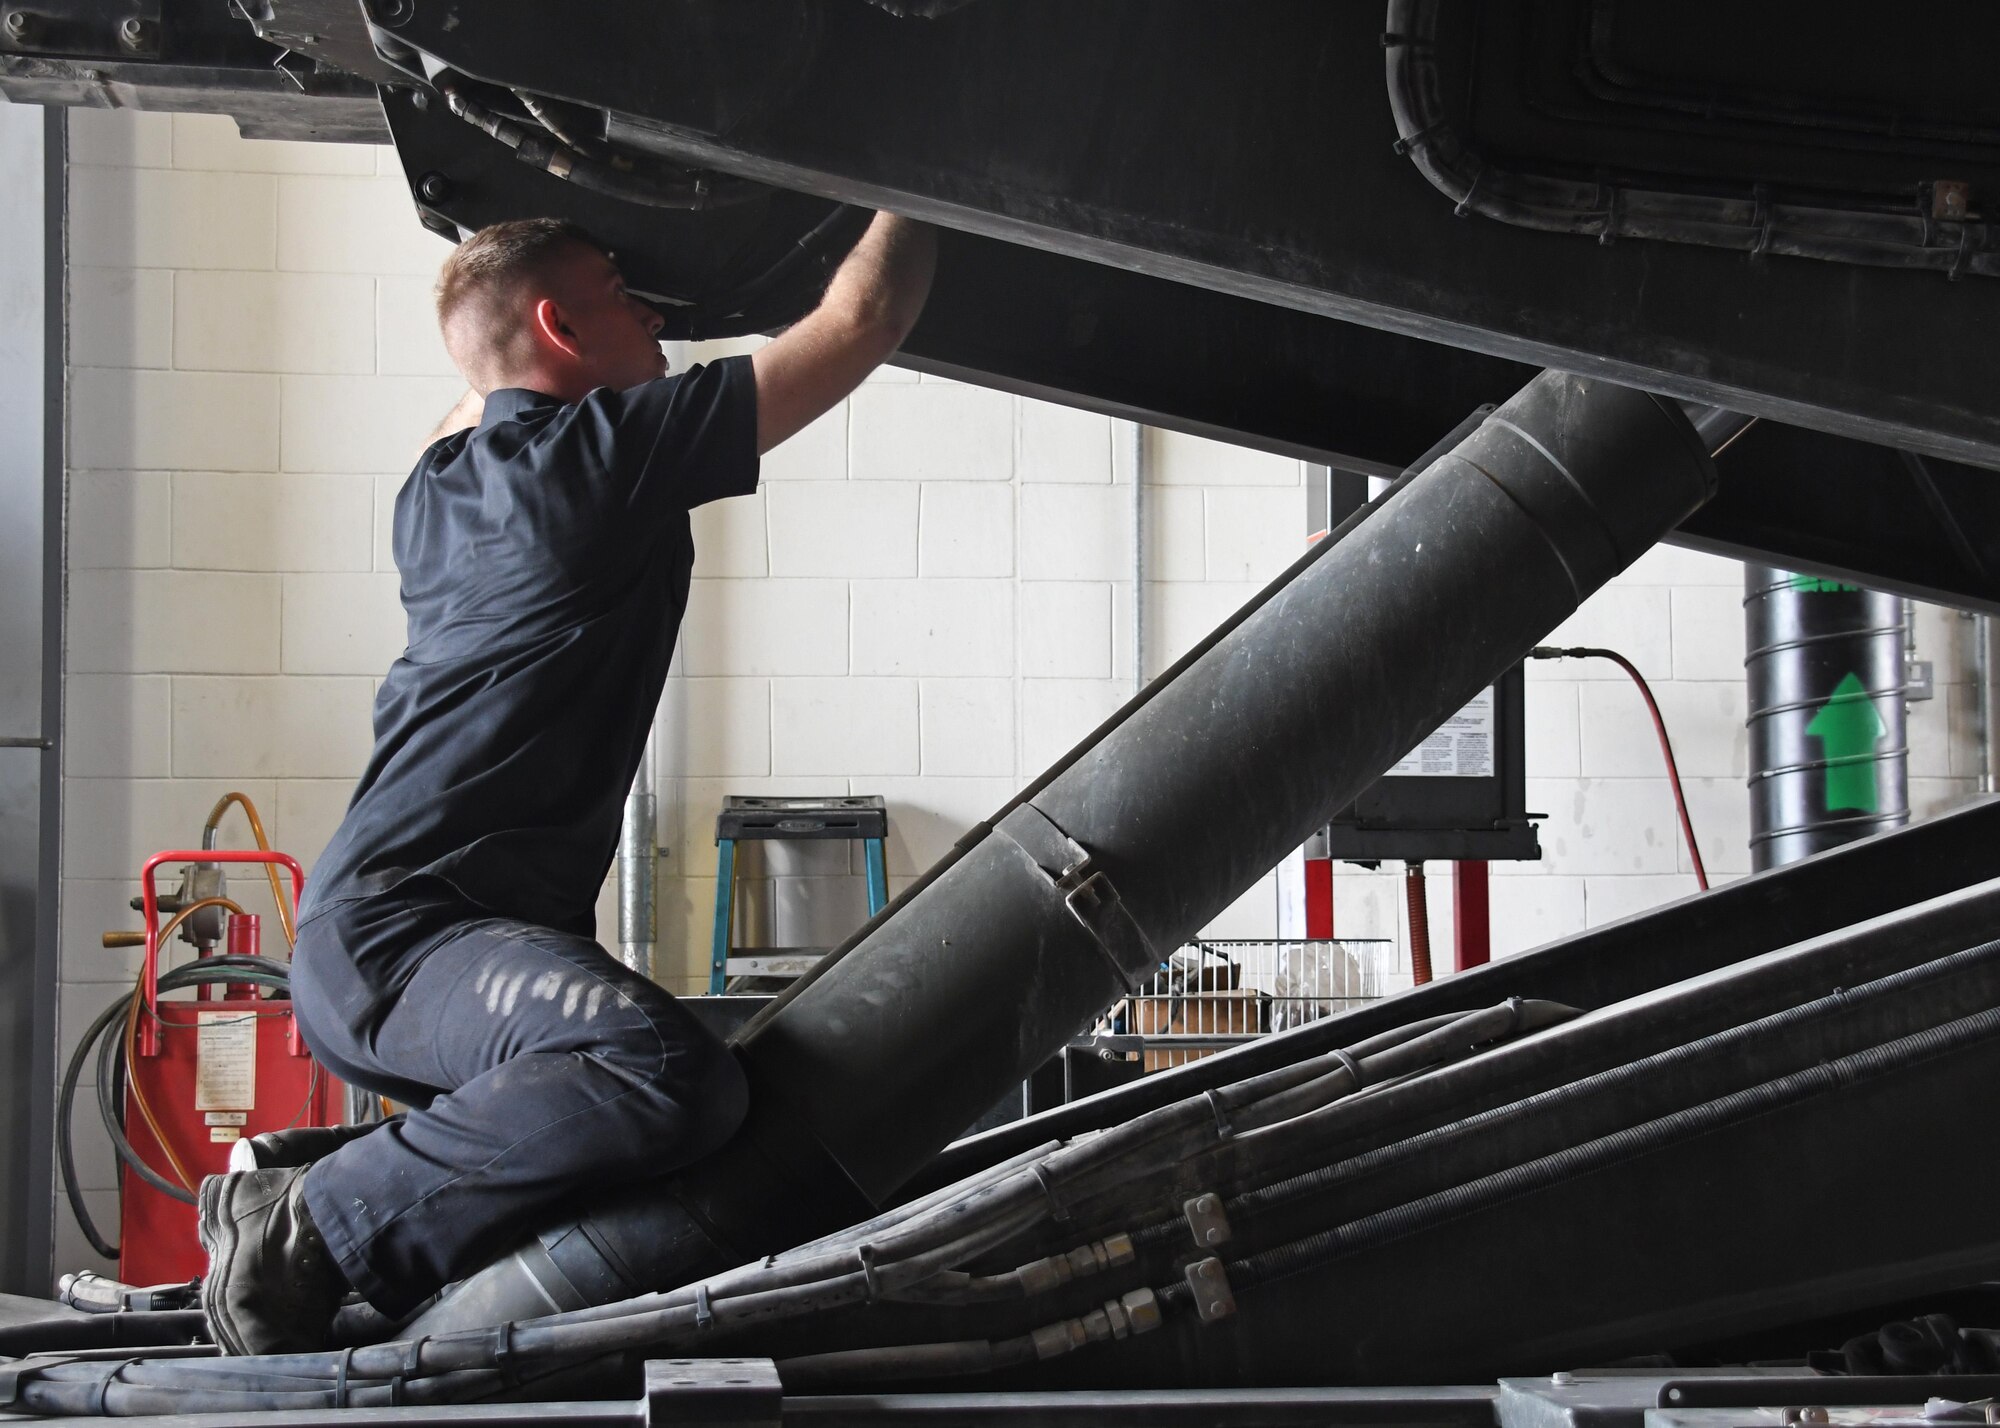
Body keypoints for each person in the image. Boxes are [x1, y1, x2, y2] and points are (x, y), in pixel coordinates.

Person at [195, 211, 937, 1356]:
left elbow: (478, 379)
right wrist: (918, 183)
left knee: (648, 1104)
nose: (651, 314)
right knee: (659, 1074)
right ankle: (302, 1226)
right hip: (418, 936)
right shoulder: (593, 456)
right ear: (555, 323)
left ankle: (324, 1184)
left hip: (390, 939)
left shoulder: (440, 481)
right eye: (619, 290)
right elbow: (860, 320)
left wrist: (522, 275)